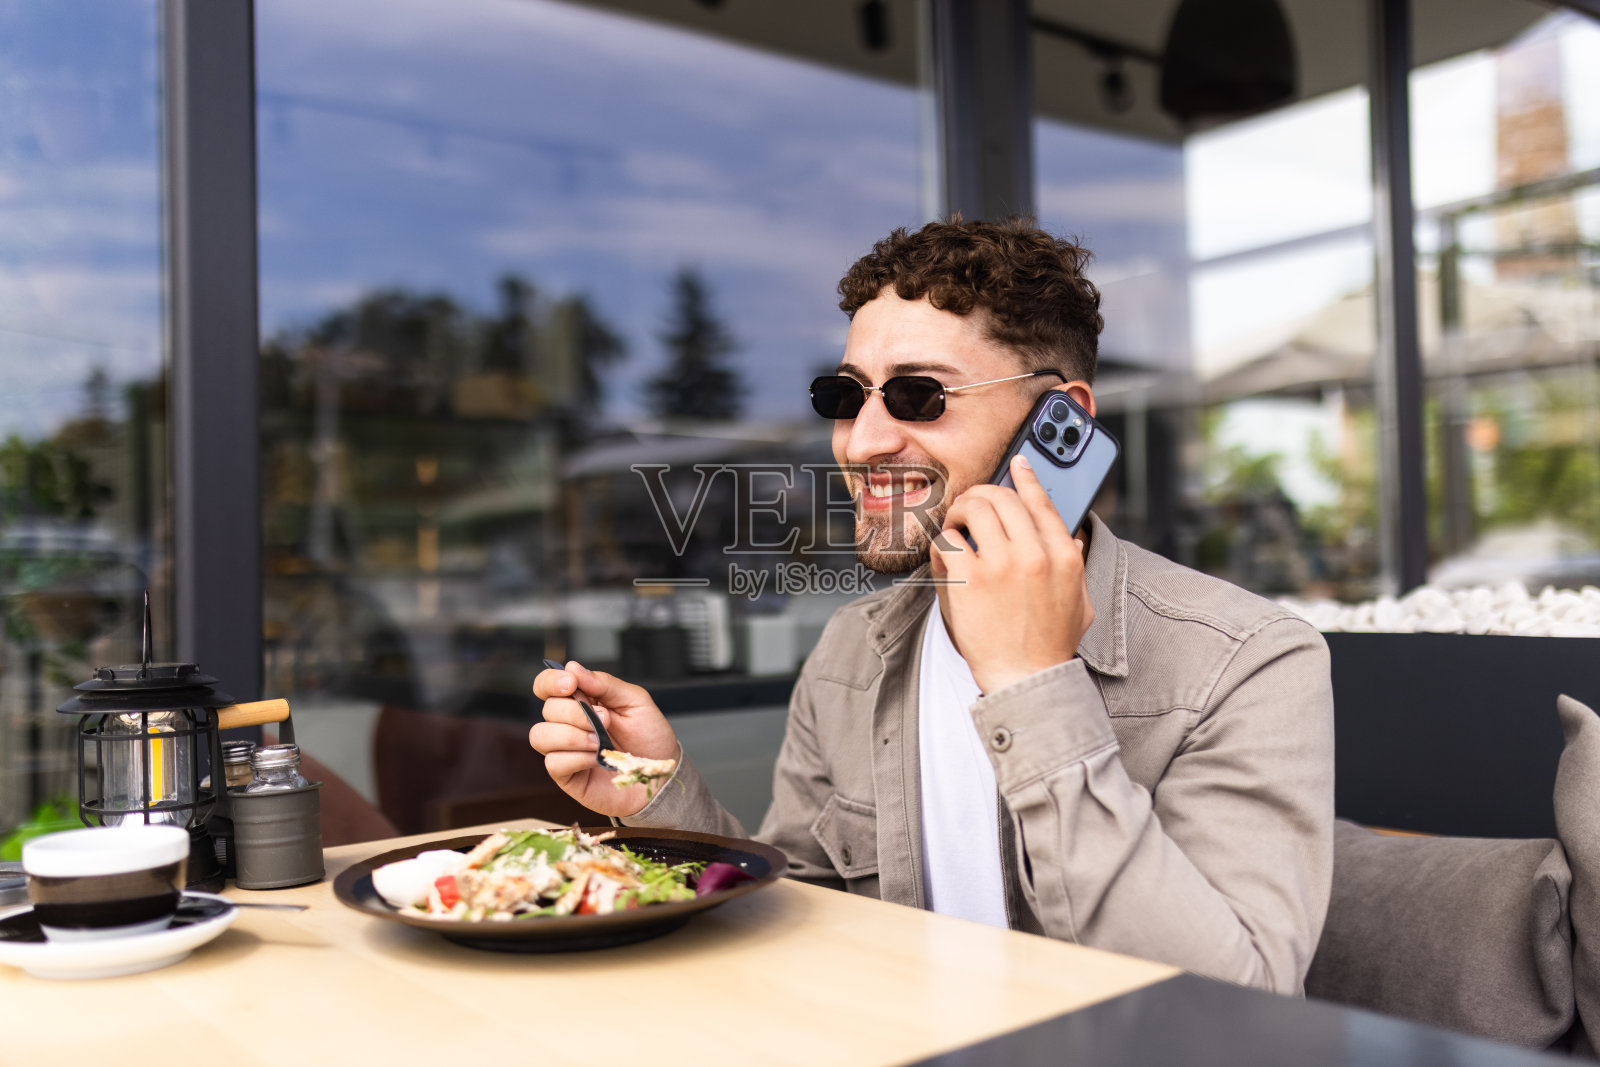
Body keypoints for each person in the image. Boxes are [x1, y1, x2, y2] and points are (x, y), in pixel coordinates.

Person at [531, 217, 1334, 994]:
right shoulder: (854, 649)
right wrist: (660, 801)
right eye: (846, 396)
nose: (863, 440)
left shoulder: (1248, 660)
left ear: (1063, 420)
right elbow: (800, 915)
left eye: (918, 395)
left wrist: (1035, 680)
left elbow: (1238, 1000)